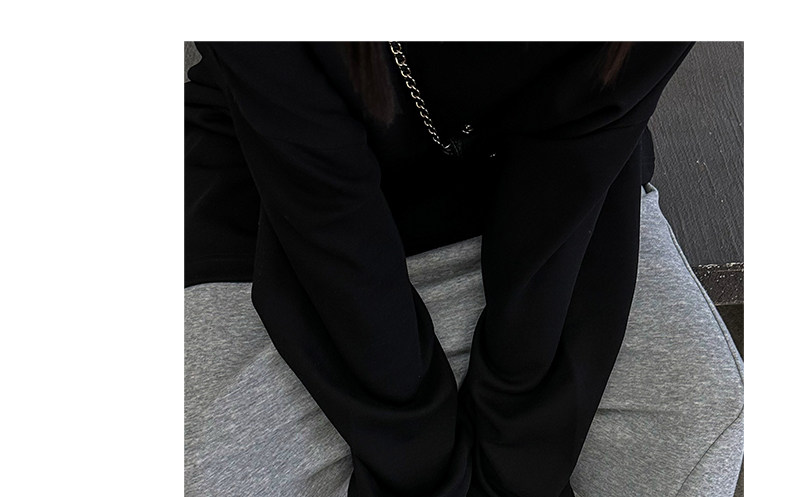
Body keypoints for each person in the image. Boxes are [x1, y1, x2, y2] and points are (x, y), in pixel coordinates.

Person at [185, 42, 694, 497]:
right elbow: (324, 212)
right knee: (204, 462)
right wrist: (419, 459)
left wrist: (518, 455)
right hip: (284, 168)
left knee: (696, 421)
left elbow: (575, 161)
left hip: (560, 168)